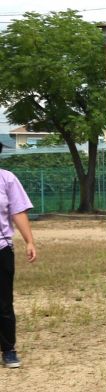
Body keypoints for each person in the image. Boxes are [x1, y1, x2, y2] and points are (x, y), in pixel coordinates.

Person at [0, 153, 37, 369]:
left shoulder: (7, 179)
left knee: (3, 303)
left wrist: (29, 241)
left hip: (2, 248)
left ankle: (8, 349)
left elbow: (18, 211)